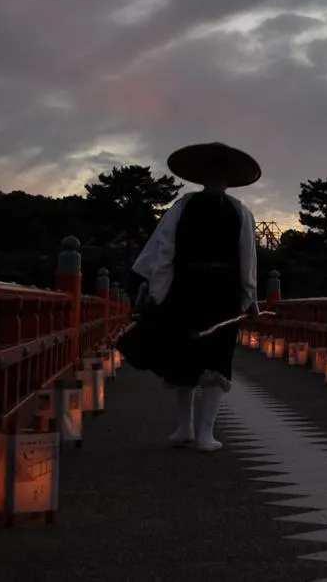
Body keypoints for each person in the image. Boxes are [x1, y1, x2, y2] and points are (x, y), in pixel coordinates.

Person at [124, 141, 261, 452]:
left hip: (206, 291)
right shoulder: (189, 208)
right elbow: (165, 250)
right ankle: (187, 428)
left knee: (214, 358)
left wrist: (249, 295)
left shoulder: (225, 211)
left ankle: (203, 431)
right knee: (186, 356)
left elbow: (163, 251)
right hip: (198, 289)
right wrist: (160, 291)